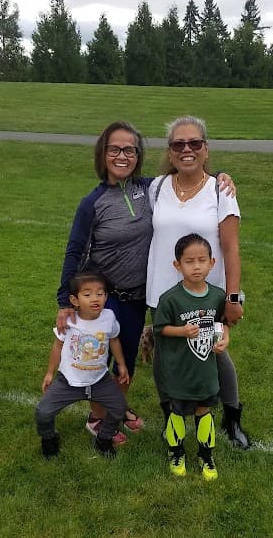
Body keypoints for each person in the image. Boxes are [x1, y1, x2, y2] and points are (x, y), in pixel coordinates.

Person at [56, 121, 235, 447]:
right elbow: (74, 252)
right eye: (114, 149)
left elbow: (189, 172)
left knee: (126, 361)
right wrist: (64, 302)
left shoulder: (150, 188)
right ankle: (97, 419)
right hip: (106, 298)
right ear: (103, 153)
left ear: (138, 155)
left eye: (129, 150)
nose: (122, 156)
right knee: (102, 361)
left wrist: (220, 174)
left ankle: (117, 407)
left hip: (140, 295)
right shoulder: (92, 203)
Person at [146, 115, 251, 450]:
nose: (186, 149)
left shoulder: (220, 191)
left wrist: (233, 297)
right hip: (162, 293)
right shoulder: (157, 187)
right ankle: (171, 419)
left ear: (206, 149)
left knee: (213, 355)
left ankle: (232, 417)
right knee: (166, 357)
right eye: (179, 144)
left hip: (204, 295)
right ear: (170, 151)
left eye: (195, 143)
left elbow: (232, 248)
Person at [153, 233, 230, 480]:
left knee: (204, 410)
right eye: (189, 261)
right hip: (179, 371)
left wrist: (225, 338)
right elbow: (159, 329)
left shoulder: (217, 296)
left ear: (212, 263)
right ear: (177, 265)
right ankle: (176, 452)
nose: (196, 266)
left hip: (205, 371)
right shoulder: (170, 299)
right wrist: (182, 331)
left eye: (201, 260)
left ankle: (206, 455)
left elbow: (222, 323)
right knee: (178, 410)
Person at [35, 271, 130, 459]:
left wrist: (121, 365)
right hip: (68, 380)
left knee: (119, 408)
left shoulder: (109, 317)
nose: (95, 298)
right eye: (87, 294)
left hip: (99, 380)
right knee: (43, 412)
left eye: (100, 293)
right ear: (75, 300)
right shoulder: (68, 321)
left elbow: (114, 340)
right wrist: (49, 373)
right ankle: (49, 438)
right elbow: (57, 345)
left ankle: (103, 439)